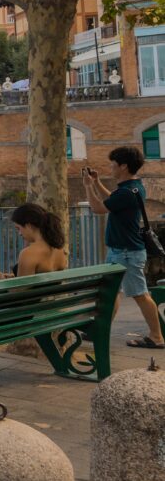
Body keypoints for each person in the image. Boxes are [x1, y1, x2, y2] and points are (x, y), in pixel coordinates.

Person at [82, 146, 165, 348]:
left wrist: (87, 186)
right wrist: (97, 182)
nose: (110, 167)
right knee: (112, 292)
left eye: (113, 164)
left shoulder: (127, 192)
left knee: (140, 294)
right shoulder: (133, 187)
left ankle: (157, 337)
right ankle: (100, 330)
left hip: (126, 253)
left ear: (123, 166)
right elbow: (112, 199)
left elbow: (99, 208)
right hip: (122, 251)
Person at [0, 203, 68, 278]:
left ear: (29, 226)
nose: (20, 233)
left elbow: (20, 289)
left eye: (18, 228)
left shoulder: (28, 254)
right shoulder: (59, 249)